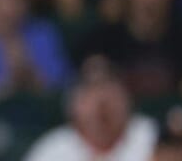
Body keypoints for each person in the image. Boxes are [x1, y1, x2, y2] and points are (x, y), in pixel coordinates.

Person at [23, 58, 158, 161]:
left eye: (109, 89)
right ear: (73, 107)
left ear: (127, 100)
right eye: (91, 92)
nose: (102, 101)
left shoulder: (151, 137)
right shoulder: (52, 149)